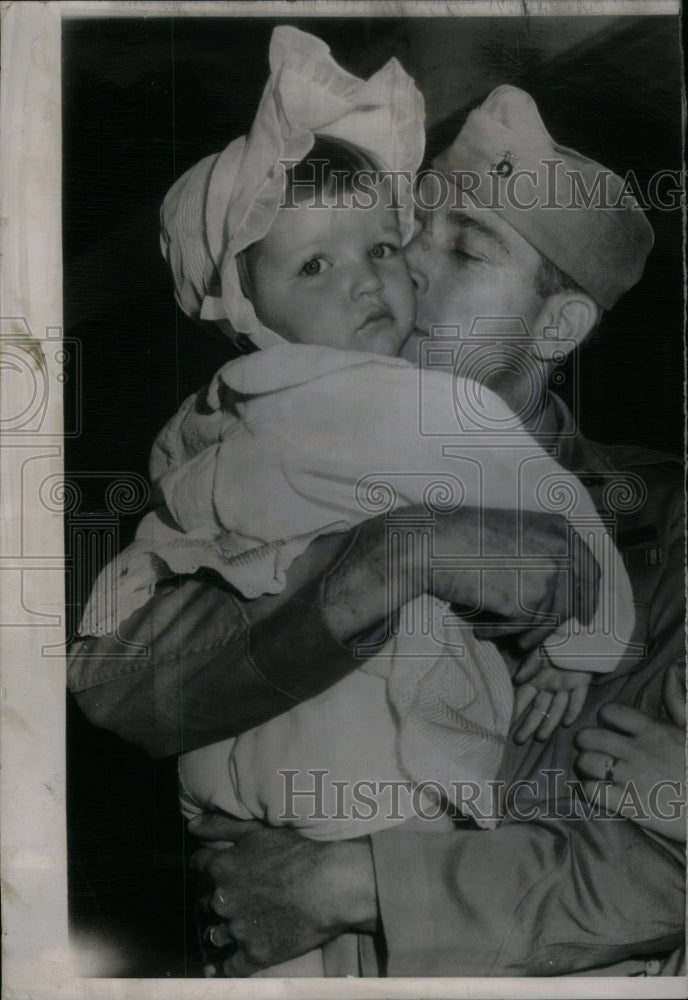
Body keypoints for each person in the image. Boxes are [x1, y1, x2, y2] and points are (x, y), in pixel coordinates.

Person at [67, 83, 685, 977]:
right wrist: (396, 555)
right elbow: (118, 686)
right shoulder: (257, 431)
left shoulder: (662, 530)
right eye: (407, 232)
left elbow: (659, 870)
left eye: (466, 248)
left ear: (558, 325)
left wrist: (352, 886)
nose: (412, 270)